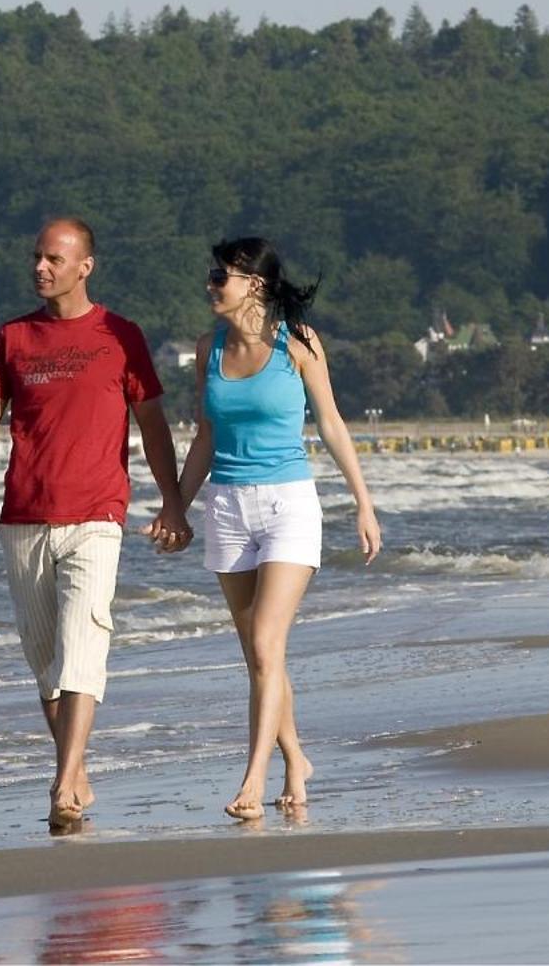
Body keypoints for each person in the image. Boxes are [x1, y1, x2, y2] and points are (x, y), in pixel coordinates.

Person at [0, 218, 190, 828]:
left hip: (97, 513)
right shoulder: (13, 337)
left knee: (85, 640)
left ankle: (61, 782)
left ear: (85, 266)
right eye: (36, 257)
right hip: (24, 512)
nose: (40, 268)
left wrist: (172, 501)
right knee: (45, 659)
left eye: (54, 259)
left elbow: (152, 423)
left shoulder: (121, 336)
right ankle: (75, 766)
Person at [153, 236, 381, 821]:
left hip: (289, 505)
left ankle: (253, 777)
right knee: (261, 658)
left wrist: (362, 503)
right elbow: (204, 437)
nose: (209, 285)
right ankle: (296, 760)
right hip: (227, 508)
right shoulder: (209, 349)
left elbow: (330, 422)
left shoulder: (298, 342)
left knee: (265, 644)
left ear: (253, 282)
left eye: (219, 276)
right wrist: (176, 506)